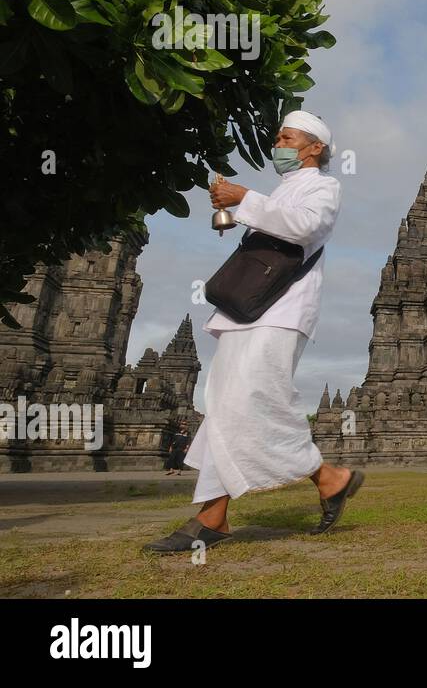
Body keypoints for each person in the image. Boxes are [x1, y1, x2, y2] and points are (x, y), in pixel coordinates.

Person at [146, 111, 360, 553]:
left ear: (314, 147)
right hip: (250, 309)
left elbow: (304, 227)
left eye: (287, 137)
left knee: (258, 398)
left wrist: (244, 198)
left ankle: (329, 477)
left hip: (281, 310)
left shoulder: (324, 186)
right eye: (279, 136)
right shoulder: (286, 188)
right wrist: (238, 205)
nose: (278, 143)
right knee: (224, 404)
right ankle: (213, 516)